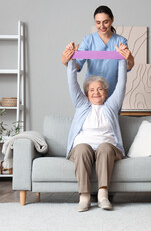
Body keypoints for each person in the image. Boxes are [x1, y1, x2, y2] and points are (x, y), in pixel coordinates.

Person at [63, 46, 127, 212]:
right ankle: (84, 197)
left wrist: (121, 58)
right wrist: (71, 60)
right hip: (83, 147)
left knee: (105, 147)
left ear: (106, 92)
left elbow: (121, 84)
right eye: (92, 90)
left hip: (108, 147)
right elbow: (72, 83)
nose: (96, 92)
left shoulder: (111, 106)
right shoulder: (82, 104)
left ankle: (102, 195)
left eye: (100, 89)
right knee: (82, 148)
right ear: (86, 93)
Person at [61, 5, 134, 97]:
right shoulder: (88, 40)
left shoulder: (121, 41)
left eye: (105, 22)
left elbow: (126, 67)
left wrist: (130, 59)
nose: (102, 26)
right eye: (98, 23)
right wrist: (66, 60)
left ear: (112, 20)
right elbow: (77, 66)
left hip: (113, 93)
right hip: (92, 93)